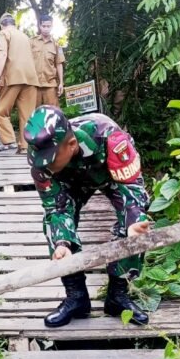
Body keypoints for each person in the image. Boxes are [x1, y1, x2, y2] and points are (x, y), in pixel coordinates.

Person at [24, 105, 152, 328]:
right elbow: (55, 209)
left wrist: (133, 225)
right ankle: (77, 298)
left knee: (134, 226)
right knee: (54, 228)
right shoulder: (42, 162)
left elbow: (133, 190)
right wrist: (63, 243)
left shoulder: (110, 138)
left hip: (111, 174)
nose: (45, 166)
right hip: (69, 182)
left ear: (72, 145)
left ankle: (117, 296)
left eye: (50, 160)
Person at [0, 13, 39, 153]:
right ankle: (26, 147)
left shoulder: (3, 33)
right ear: (14, 24)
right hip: (31, 77)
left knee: (0, 111)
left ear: (1, 24)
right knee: (27, 114)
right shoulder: (25, 36)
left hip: (13, 76)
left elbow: (3, 54)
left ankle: (9, 140)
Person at [30, 13, 65, 106]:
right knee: (34, 113)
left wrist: (61, 83)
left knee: (53, 112)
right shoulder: (32, 42)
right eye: (44, 26)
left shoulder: (56, 44)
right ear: (39, 26)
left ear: (52, 26)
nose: (46, 29)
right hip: (34, 84)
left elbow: (59, 63)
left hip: (50, 85)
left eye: (48, 26)